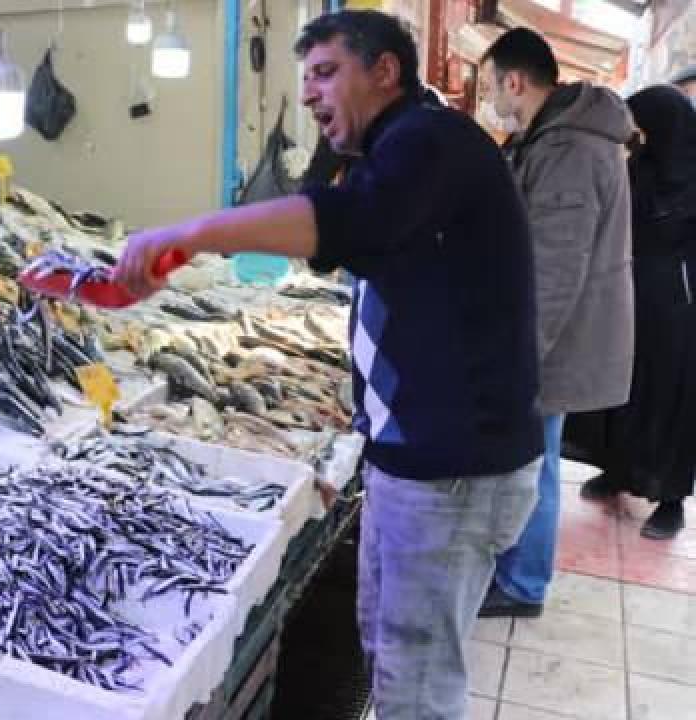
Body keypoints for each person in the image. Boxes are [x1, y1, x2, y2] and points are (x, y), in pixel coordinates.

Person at [114, 10, 543, 719]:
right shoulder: (394, 149)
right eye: (305, 77)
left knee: (418, 686)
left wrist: (192, 234)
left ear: (384, 71)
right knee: (391, 656)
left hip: (452, 473)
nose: (310, 92)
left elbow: (348, 221)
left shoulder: (430, 140)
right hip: (414, 463)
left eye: (325, 73)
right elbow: (340, 232)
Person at [477, 28, 634, 619]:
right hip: (551, 336)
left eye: (490, 87)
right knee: (530, 458)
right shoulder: (549, 137)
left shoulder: (570, 151)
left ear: (515, 82)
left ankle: (523, 584)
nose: (490, 99)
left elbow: (554, 272)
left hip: (556, 342)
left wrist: (519, 359)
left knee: (533, 462)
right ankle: (517, 571)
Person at [581, 86, 696, 539]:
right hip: (628, 298)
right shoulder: (639, 166)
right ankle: (618, 471)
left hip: (680, 310)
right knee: (623, 389)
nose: (638, 136)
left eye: (644, 127)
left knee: (671, 400)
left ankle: (671, 500)